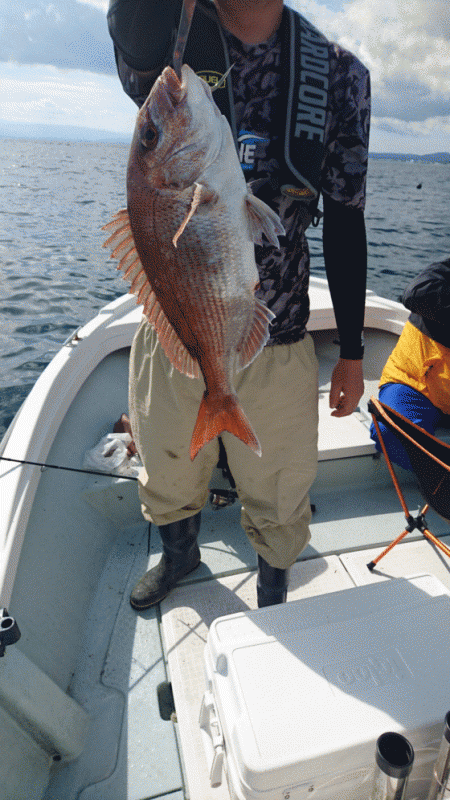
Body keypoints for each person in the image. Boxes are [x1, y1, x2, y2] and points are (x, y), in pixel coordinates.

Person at [106, 0, 370, 609]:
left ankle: (273, 577)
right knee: (168, 466)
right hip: (176, 319)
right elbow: (130, 23)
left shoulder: (340, 76)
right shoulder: (172, 46)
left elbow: (346, 223)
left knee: (280, 486)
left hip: (276, 325)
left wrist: (353, 352)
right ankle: (179, 554)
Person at [370, 258, 450, 471]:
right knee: (391, 431)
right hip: (415, 384)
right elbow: (415, 293)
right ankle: (439, 478)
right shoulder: (444, 271)